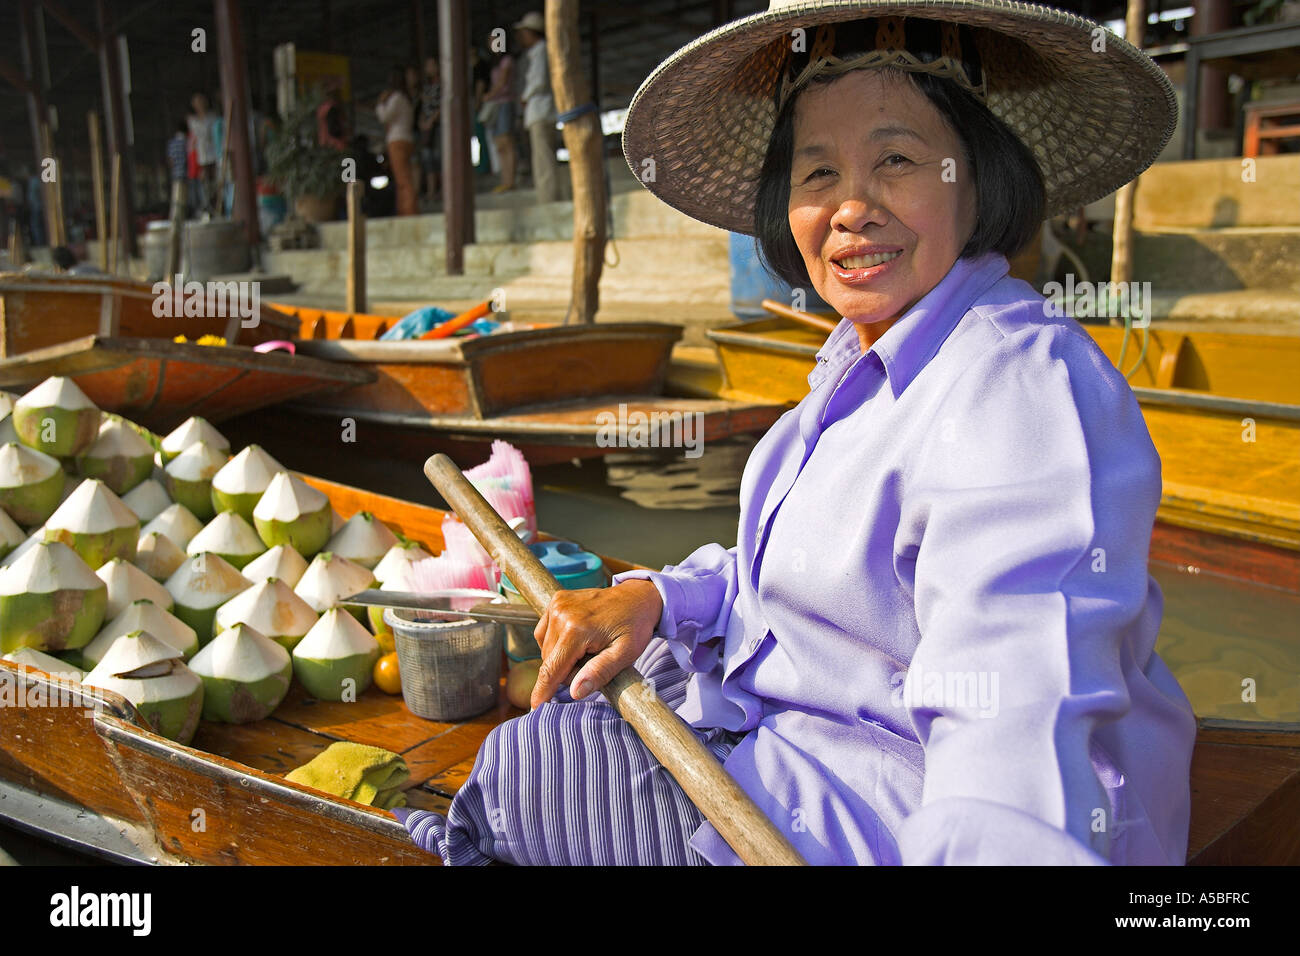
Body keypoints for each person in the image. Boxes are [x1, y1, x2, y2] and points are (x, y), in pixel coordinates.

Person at [394, 0, 1198, 867]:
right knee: (540, 751)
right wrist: (663, 598)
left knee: (534, 771)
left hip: (897, 810)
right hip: (800, 750)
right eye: (818, 175)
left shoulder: (1017, 384)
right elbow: (807, 585)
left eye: (895, 159)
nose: (850, 207)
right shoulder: (856, 362)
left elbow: (1015, 719)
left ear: (979, 174)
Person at [514, 11, 564, 203]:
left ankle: (548, 199)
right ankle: (547, 196)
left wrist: (525, 96)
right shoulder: (537, 53)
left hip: (540, 110)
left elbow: (539, 81)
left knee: (544, 159)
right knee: (543, 157)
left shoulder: (542, 51)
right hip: (540, 111)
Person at [376, 66, 417, 216]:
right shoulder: (406, 99)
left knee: (403, 179)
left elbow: (384, 117)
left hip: (397, 140)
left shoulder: (396, 98)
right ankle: (405, 209)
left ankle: (408, 211)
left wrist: (381, 103)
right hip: (406, 139)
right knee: (404, 178)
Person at [482, 40, 517, 193]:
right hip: (496, 106)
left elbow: (502, 83)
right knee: (499, 144)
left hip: (505, 103)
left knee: (506, 141)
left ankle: (510, 180)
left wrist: (489, 95)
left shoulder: (507, 60)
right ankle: (504, 179)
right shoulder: (494, 63)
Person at [187, 92, 218, 216]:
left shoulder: (212, 118)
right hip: (201, 157)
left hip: (214, 155)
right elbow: (193, 143)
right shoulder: (193, 121)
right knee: (204, 185)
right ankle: (207, 208)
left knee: (215, 183)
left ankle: (216, 207)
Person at [417, 56, 442, 204]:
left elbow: (442, 104)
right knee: (428, 159)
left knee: (439, 158)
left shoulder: (442, 84)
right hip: (426, 127)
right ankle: (431, 191)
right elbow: (422, 107)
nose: (429, 68)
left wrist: (431, 120)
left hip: (438, 126)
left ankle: (442, 190)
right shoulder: (425, 87)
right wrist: (422, 121)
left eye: (431, 65)